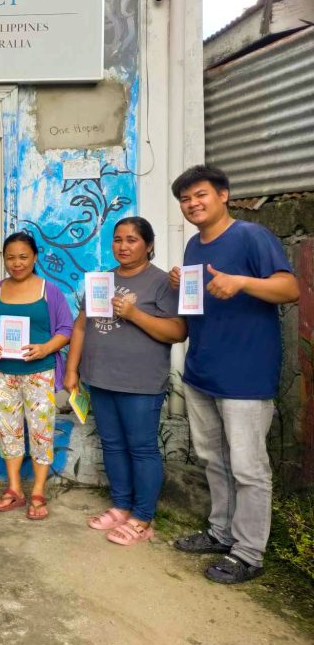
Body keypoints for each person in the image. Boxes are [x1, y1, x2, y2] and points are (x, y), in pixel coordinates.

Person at [167, 165, 298, 584]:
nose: (193, 205)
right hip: (202, 369)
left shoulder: (251, 236)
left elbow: (289, 289)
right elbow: (200, 300)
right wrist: (181, 285)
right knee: (213, 460)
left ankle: (248, 552)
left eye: (200, 195)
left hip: (245, 373)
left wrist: (242, 281)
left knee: (248, 467)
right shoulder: (193, 247)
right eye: (186, 200)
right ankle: (221, 532)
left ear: (223, 195)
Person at [64, 217, 186, 545]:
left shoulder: (162, 283)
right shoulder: (101, 280)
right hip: (100, 377)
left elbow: (178, 331)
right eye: (118, 239)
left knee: (142, 448)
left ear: (148, 245)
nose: (123, 246)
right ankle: (120, 507)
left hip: (140, 382)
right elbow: (80, 326)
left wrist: (135, 315)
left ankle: (142, 517)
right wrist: (72, 370)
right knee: (113, 445)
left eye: (132, 240)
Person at [0, 231, 73, 520]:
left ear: (34, 258)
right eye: (10, 258)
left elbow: (65, 330)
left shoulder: (48, 291)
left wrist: (45, 349)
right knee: (9, 430)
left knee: (41, 431)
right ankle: (15, 488)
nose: (16, 263)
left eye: (23, 257)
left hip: (39, 373)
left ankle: (39, 491)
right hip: (4, 373)